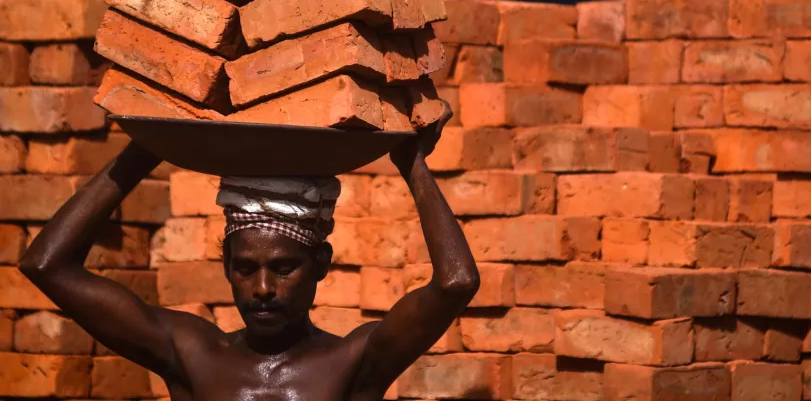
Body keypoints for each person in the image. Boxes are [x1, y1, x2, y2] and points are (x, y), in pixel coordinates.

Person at [19, 106, 479, 401]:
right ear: (226, 267)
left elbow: (455, 283)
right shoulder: (191, 352)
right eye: (245, 268)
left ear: (321, 264)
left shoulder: (354, 361)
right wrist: (146, 147)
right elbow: (45, 264)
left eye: (283, 268)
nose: (262, 289)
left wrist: (412, 163)